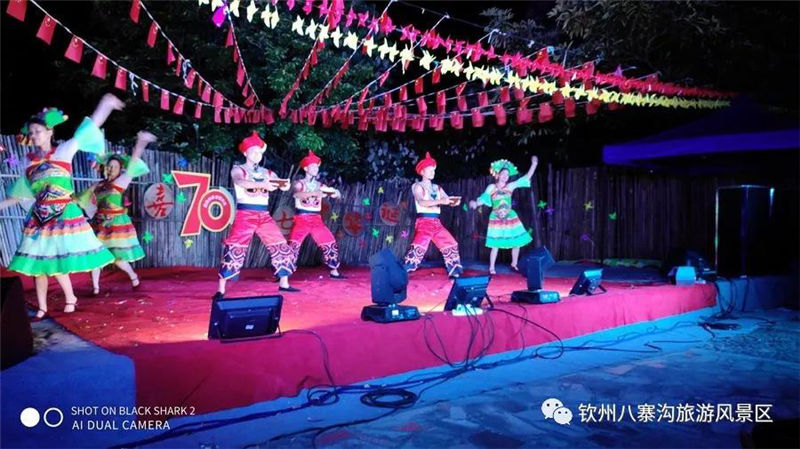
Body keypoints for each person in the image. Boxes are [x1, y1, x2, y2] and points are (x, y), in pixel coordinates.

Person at [0, 94, 124, 320]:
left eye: (38, 131)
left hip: (63, 216)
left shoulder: (63, 151)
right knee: (38, 264)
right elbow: (19, 196)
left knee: (56, 260)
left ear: (50, 132)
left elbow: (87, 130)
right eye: (32, 132)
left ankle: (70, 298)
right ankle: (42, 307)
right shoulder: (29, 164)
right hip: (39, 219)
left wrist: (105, 105)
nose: (34, 135)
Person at [215, 131, 298, 298]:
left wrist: (284, 185)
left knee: (280, 244)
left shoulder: (267, 172)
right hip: (245, 214)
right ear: (245, 153)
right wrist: (264, 185)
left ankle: (284, 283)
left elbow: (279, 183)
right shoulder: (238, 169)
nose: (257, 154)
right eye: (253, 151)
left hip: (264, 215)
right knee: (235, 246)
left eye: (260, 152)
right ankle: (221, 289)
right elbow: (240, 182)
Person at [77, 131, 156, 295]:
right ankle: (95, 288)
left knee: (117, 258)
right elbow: (83, 199)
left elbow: (134, 161)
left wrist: (141, 142)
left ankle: (133, 277)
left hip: (116, 224)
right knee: (96, 256)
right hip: (99, 223)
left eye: (114, 166)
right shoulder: (99, 185)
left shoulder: (121, 181)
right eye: (109, 166)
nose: (111, 169)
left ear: (120, 169)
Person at [469, 156, 538, 274]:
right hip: (496, 218)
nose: (506, 176)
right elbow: (483, 199)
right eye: (504, 174)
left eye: (507, 174)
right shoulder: (492, 187)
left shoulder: (510, 186)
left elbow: (526, 178)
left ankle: (514, 264)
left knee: (517, 241)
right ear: (498, 175)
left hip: (510, 217)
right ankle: (492, 267)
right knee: (495, 244)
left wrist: (534, 165)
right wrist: (475, 204)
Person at [403, 152, 463, 278]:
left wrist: (453, 201)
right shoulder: (417, 186)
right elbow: (421, 202)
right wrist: (441, 201)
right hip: (424, 222)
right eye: (430, 170)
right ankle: (402, 272)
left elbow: (447, 199)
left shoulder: (437, 187)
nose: (432, 172)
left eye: (434, 170)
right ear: (422, 172)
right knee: (419, 247)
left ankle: (455, 272)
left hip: (436, 222)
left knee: (450, 243)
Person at [287, 150, 346, 279]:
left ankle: (334, 271)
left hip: (316, 219)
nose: (315, 169)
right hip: (302, 219)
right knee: (293, 245)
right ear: (306, 168)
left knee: (329, 241)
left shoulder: (320, 185)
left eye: (317, 167)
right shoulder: (299, 183)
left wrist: (336, 193)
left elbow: (332, 192)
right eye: (313, 166)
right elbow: (297, 195)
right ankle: (283, 275)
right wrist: (315, 193)